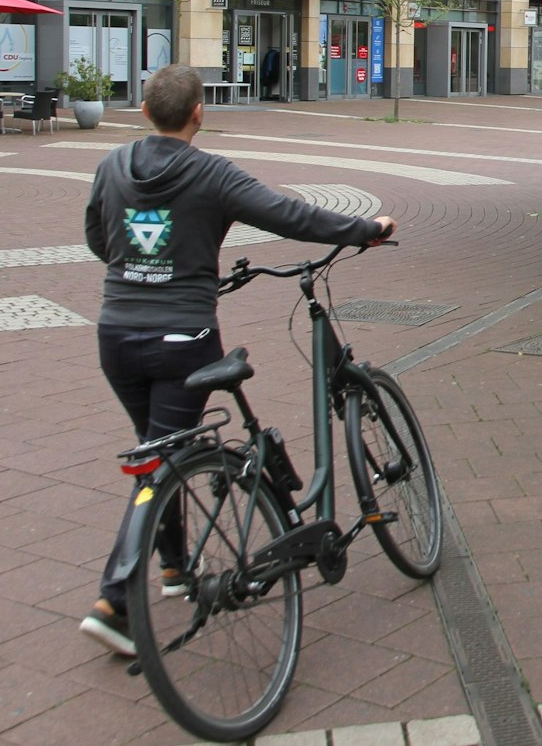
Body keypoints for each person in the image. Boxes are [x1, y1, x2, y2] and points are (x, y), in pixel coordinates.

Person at [78, 64, 395, 655]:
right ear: (199, 113)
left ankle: (173, 569)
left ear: (144, 111)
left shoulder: (111, 166)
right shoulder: (211, 172)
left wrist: (141, 262)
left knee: (160, 447)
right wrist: (361, 228)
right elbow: (288, 215)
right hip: (182, 337)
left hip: (116, 334)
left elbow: (100, 238)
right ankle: (116, 601)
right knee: (161, 459)